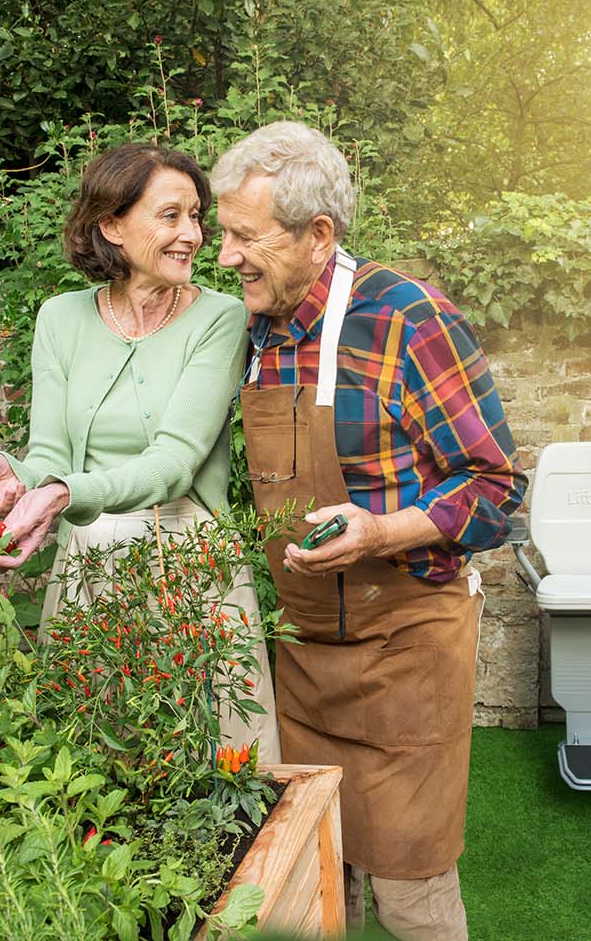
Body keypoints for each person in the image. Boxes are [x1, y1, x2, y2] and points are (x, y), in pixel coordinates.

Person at [210, 121, 526, 941]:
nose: (226, 257)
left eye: (246, 237)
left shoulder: (407, 320)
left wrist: (383, 529)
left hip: (404, 655)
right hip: (301, 656)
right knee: (313, 885)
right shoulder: (254, 328)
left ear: (319, 235)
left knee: (409, 895)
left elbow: (496, 489)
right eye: (224, 234)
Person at [0, 143, 279, 760]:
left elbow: (174, 464)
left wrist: (61, 493)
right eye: (170, 216)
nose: (191, 234)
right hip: (91, 565)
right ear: (111, 225)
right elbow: (52, 451)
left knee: (217, 767)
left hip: (190, 563)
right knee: (99, 766)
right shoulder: (61, 318)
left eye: (195, 216)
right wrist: (16, 475)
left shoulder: (220, 318)